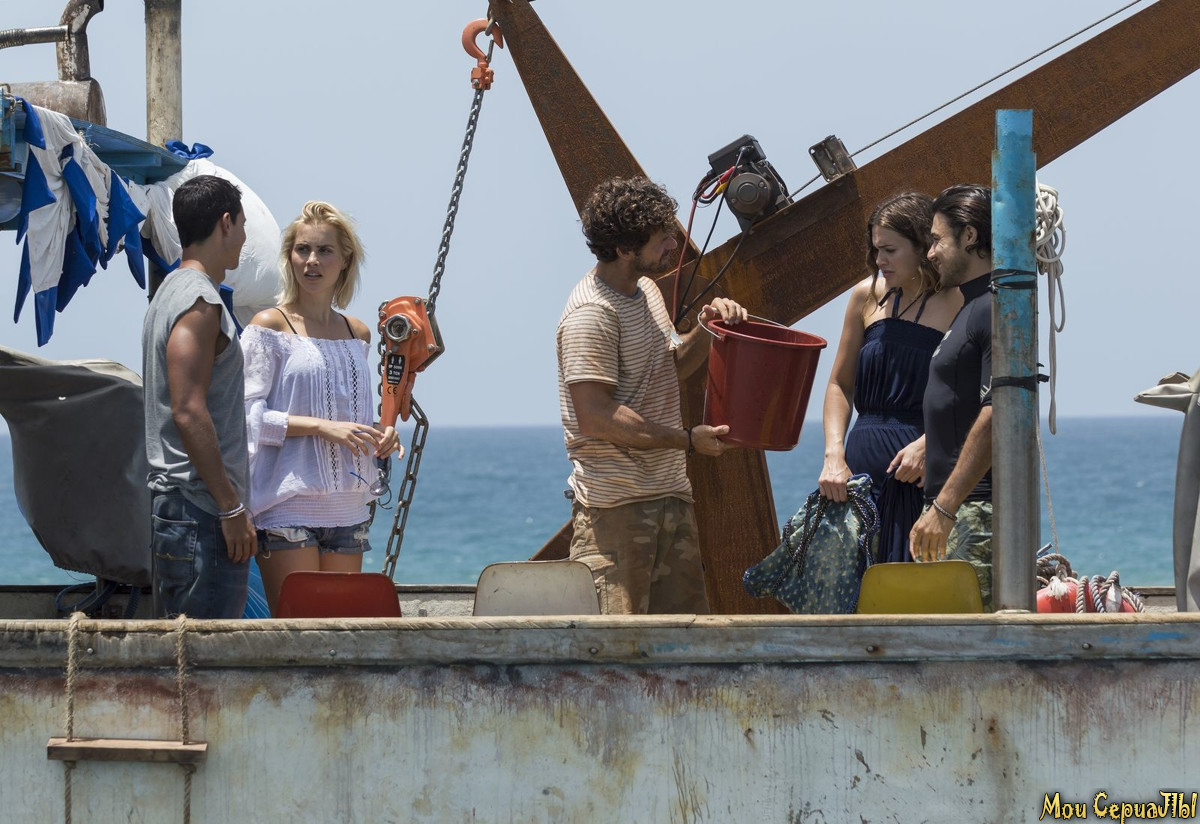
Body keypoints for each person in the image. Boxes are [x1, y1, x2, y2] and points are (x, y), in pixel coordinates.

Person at [557, 175, 748, 615]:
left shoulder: (644, 292)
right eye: (662, 238)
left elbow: (670, 366)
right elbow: (597, 417)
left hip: (671, 498)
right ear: (625, 249)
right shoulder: (591, 314)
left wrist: (708, 328)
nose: (672, 246)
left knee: (684, 643)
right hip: (615, 514)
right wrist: (687, 440)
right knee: (617, 646)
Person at [239, 201, 402, 616]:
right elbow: (244, 419)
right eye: (302, 249)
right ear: (289, 257)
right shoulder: (268, 326)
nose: (311, 260)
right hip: (286, 507)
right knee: (297, 632)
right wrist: (320, 427)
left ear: (345, 260)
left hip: (349, 508)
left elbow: (347, 416)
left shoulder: (357, 333)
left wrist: (381, 433)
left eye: (324, 250)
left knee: (339, 632)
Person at [818, 193, 962, 563]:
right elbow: (839, 384)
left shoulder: (959, 302)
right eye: (876, 249)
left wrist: (931, 444)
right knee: (851, 587)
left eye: (890, 250)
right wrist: (833, 454)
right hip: (856, 475)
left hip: (919, 472)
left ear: (922, 246)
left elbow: (974, 395)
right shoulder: (865, 296)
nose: (879, 260)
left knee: (913, 586)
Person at [142, 174, 256, 618]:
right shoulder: (200, 303)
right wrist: (230, 508)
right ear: (226, 223)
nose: (243, 238)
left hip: (180, 509)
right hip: (202, 511)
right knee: (205, 655)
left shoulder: (168, 293)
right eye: (242, 226)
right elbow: (188, 410)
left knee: (178, 650)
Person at [909, 184, 995, 607]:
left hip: (971, 515)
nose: (930, 253)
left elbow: (999, 413)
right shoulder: (970, 308)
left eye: (937, 240)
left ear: (970, 236)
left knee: (969, 641)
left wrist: (944, 508)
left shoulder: (994, 306)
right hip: (954, 511)